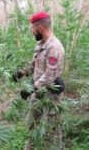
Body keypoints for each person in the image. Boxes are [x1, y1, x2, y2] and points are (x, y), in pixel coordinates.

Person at [14, 12, 65, 150]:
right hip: (37, 92)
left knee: (52, 129)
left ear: (40, 28)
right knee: (32, 125)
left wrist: (31, 88)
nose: (32, 32)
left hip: (51, 95)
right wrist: (22, 73)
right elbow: (35, 65)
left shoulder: (54, 46)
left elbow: (50, 74)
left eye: (33, 29)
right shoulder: (39, 44)